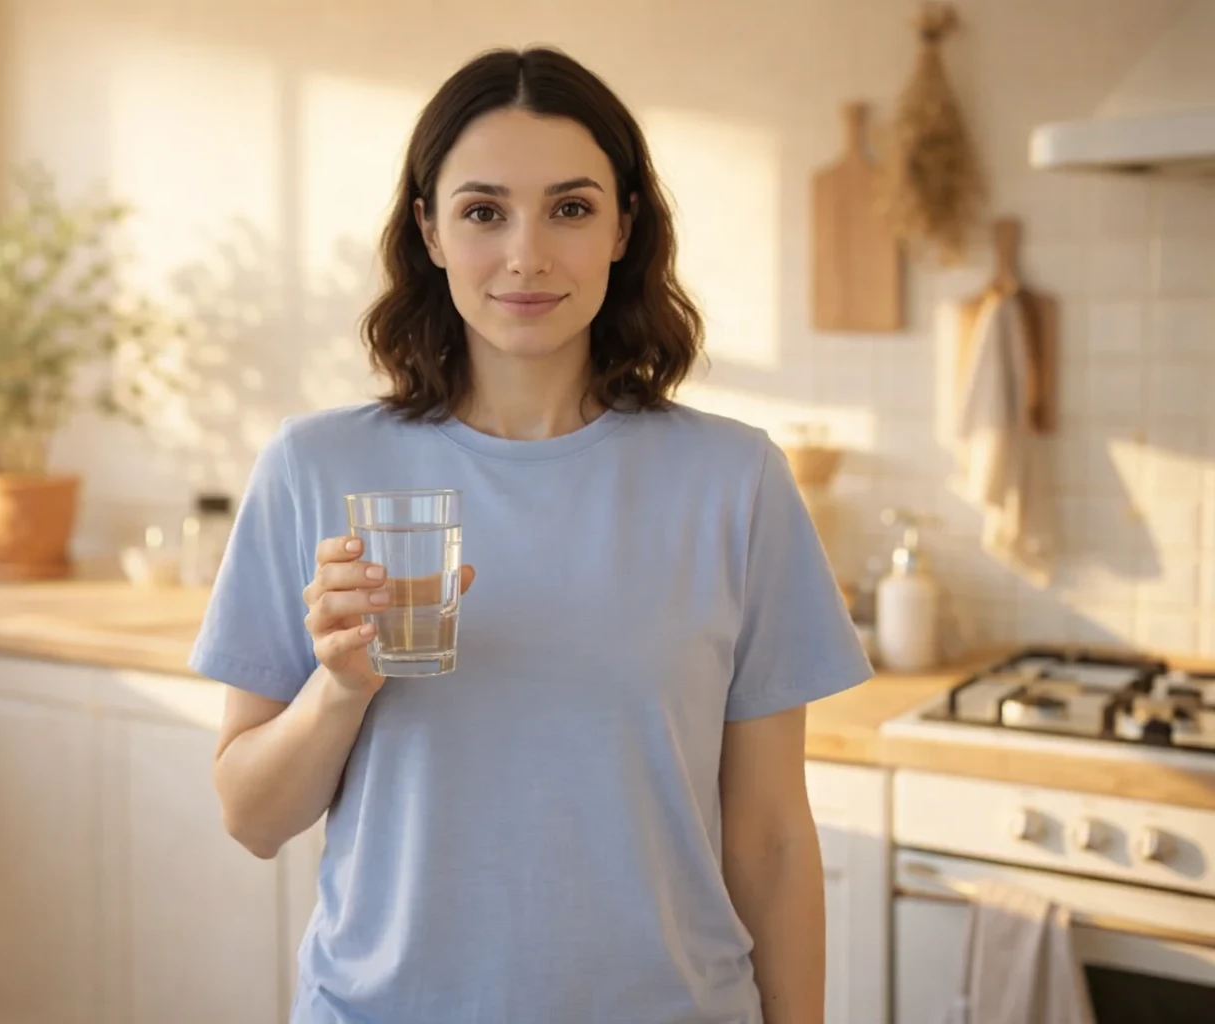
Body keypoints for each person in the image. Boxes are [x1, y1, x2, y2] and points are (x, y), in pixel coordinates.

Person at [190, 44, 872, 1024]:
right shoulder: (316, 468)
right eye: (482, 211)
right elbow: (252, 817)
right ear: (427, 229)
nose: (526, 253)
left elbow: (768, 836)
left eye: (570, 207)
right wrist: (338, 687)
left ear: (623, 227)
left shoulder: (736, 481)